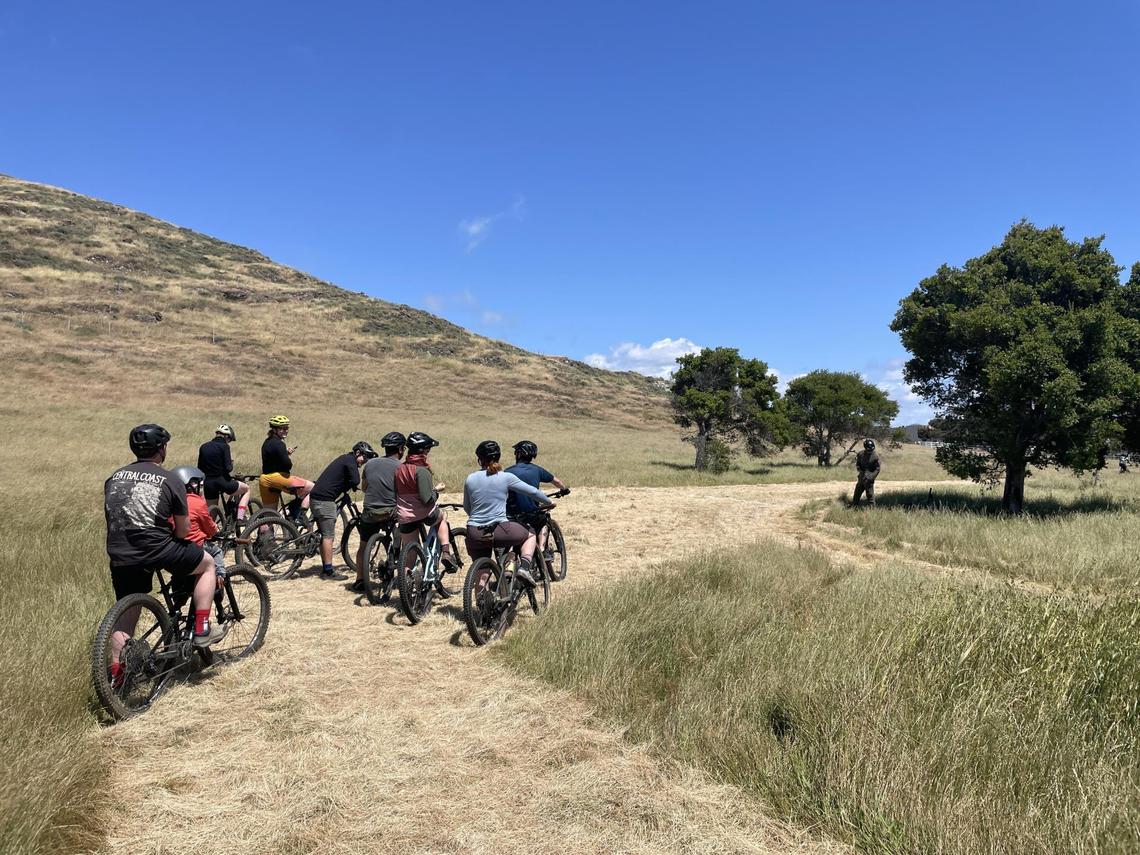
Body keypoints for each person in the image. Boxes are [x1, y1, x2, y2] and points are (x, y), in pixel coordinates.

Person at [104, 424, 223, 687]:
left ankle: (116, 680)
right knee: (207, 565)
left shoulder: (114, 477)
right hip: (158, 548)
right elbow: (182, 531)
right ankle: (202, 628)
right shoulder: (170, 479)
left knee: (127, 613)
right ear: (161, 449)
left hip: (120, 551)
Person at [463, 440, 555, 587]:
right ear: (498, 457)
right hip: (500, 529)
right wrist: (548, 502)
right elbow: (532, 491)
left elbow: (467, 508)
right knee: (530, 533)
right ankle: (524, 568)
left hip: (474, 532)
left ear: (479, 459)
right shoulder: (505, 477)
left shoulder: (470, 478)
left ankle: (482, 605)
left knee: (482, 572)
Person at [309, 441, 377, 579]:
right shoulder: (350, 462)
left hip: (316, 498)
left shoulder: (344, 459)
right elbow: (356, 480)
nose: (365, 461)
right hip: (325, 501)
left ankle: (324, 565)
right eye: (365, 457)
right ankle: (328, 571)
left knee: (323, 533)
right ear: (358, 453)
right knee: (328, 535)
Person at [395, 431, 456, 574]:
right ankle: (446, 552)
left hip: (404, 515)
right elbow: (426, 499)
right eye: (428, 449)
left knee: (409, 555)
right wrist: (436, 491)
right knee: (441, 519)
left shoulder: (399, 469)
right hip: (423, 513)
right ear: (423, 450)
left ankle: (405, 582)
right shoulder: (421, 471)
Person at [353, 431, 406, 593]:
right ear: (401, 449)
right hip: (390, 512)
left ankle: (359, 580)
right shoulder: (401, 467)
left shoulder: (370, 464)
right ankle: (397, 555)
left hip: (369, 511)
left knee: (363, 546)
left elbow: (364, 488)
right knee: (404, 530)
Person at [506, 440, 569, 565]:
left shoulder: (508, 471)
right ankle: (542, 550)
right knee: (543, 520)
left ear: (518, 454)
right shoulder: (537, 470)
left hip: (512, 514)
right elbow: (556, 481)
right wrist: (564, 489)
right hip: (531, 513)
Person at [171, 464, 228, 579]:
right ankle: (220, 577)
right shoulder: (198, 502)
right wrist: (215, 530)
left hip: (175, 546)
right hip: (196, 545)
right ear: (192, 487)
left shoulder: (171, 501)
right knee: (216, 552)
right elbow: (210, 528)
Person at [259, 415, 314, 517]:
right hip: (278, 478)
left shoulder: (266, 442)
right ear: (274, 429)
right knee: (313, 488)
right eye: (282, 428)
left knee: (269, 516)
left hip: (264, 479)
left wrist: (285, 453)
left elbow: (273, 460)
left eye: (287, 428)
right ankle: (299, 514)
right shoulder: (280, 444)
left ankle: (264, 532)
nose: (286, 430)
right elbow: (288, 465)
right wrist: (287, 456)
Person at [197, 423, 251, 521]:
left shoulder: (203, 446)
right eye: (229, 439)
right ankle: (240, 517)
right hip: (222, 481)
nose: (228, 442)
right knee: (246, 489)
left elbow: (200, 467)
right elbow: (228, 468)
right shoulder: (224, 446)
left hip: (208, 483)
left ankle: (210, 533)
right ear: (226, 436)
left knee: (211, 513)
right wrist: (230, 463)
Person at [853, 438, 880, 507]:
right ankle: (854, 506)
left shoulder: (875, 456)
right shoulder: (860, 454)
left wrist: (871, 477)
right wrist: (859, 470)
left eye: (872, 450)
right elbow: (858, 464)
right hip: (861, 477)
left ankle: (872, 510)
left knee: (870, 495)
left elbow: (877, 469)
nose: (870, 451)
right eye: (868, 450)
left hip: (869, 479)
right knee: (857, 494)